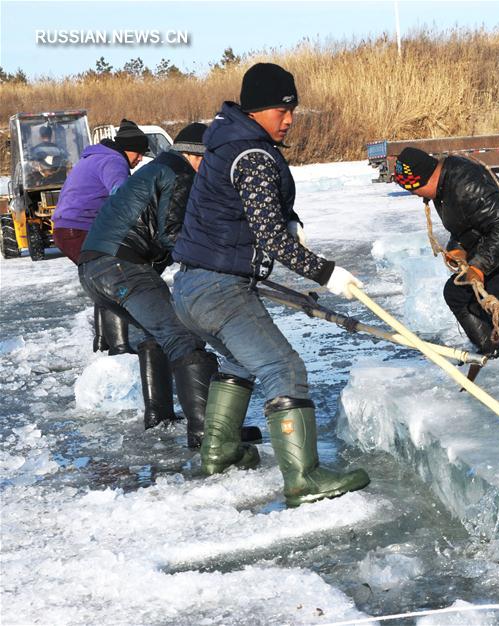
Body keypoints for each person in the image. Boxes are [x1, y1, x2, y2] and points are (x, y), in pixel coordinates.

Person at [171, 62, 369, 506]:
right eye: (283, 109)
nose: (290, 119)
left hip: (188, 290)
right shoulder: (254, 155)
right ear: (258, 109)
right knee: (286, 369)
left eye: (292, 109)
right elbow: (271, 238)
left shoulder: (226, 145)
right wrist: (327, 273)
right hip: (220, 290)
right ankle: (303, 478)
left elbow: (243, 210)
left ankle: (218, 452)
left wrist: (290, 218)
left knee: (241, 363)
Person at [78, 123, 219, 447]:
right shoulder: (181, 172)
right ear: (199, 155)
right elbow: (172, 234)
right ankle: (210, 435)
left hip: (93, 270)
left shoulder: (159, 168)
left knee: (157, 335)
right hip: (122, 267)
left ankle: (158, 415)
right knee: (183, 337)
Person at [392, 147, 499, 357]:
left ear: (426, 178)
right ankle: (490, 351)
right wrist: (458, 249)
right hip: (496, 247)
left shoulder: (466, 185)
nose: (413, 194)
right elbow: (467, 224)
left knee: (497, 309)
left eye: (413, 189)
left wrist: (479, 266)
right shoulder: (445, 185)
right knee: (456, 294)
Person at [53, 119, 149, 356]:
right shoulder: (114, 161)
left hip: (69, 229)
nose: (140, 160)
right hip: (78, 229)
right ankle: (119, 348)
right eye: (139, 153)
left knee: (102, 279)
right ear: (129, 148)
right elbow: (124, 196)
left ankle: (102, 342)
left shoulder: (98, 156)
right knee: (113, 279)